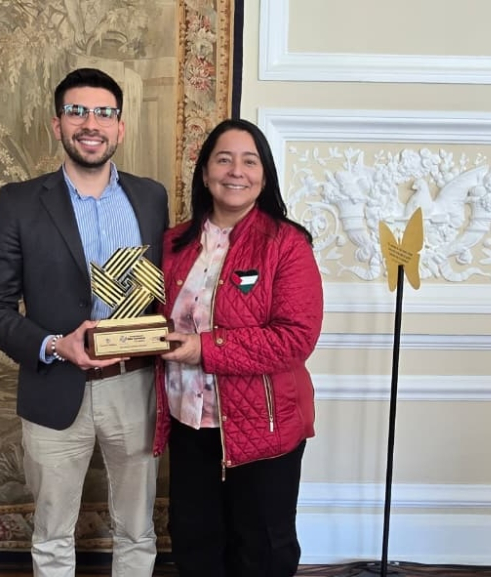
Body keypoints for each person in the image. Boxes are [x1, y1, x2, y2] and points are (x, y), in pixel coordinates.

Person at [0, 68, 168, 577]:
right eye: (77, 111)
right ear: (57, 124)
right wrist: (55, 345)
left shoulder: (151, 198)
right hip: (55, 387)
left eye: (104, 112)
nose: (91, 122)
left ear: (119, 127)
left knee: (138, 531)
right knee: (54, 536)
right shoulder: (19, 202)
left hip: (136, 386)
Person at [153, 118, 324, 577]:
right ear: (205, 172)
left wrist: (203, 349)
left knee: (263, 550)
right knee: (195, 543)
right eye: (223, 159)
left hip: (264, 428)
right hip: (189, 423)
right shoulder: (174, 244)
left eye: (249, 161)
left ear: (264, 175)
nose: (236, 171)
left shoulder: (288, 244)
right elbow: (152, 319)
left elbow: (295, 338)